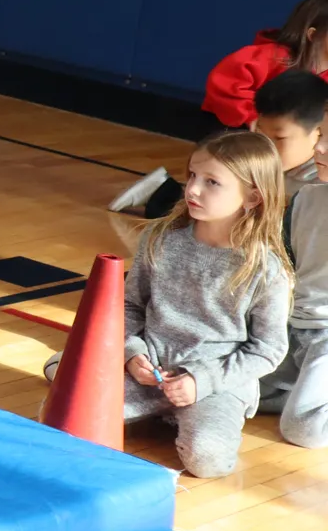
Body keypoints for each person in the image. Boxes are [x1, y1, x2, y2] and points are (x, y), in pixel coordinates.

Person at [115, 131, 291, 478]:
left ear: (253, 197)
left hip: (215, 385)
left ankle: (184, 417)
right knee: (64, 412)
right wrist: (131, 353)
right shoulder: (159, 238)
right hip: (150, 373)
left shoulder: (266, 270)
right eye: (192, 176)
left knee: (206, 459)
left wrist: (201, 382)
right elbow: (129, 306)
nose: (192, 189)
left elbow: (268, 349)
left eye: (212, 182)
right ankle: (157, 408)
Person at [113, 0, 328, 217]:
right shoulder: (275, 57)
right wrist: (252, 117)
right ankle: (163, 195)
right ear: (312, 35)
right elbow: (224, 81)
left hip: (279, 146)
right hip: (230, 129)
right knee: (226, 205)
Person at [262, 176, 328, 449]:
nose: (320, 148)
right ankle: (305, 390)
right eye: (320, 136)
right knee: (240, 391)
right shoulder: (306, 196)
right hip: (295, 323)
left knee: (302, 429)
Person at [250, 69, 328, 196]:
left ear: (319, 132)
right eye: (260, 133)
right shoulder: (255, 168)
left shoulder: (321, 190)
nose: (266, 146)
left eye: (279, 138)